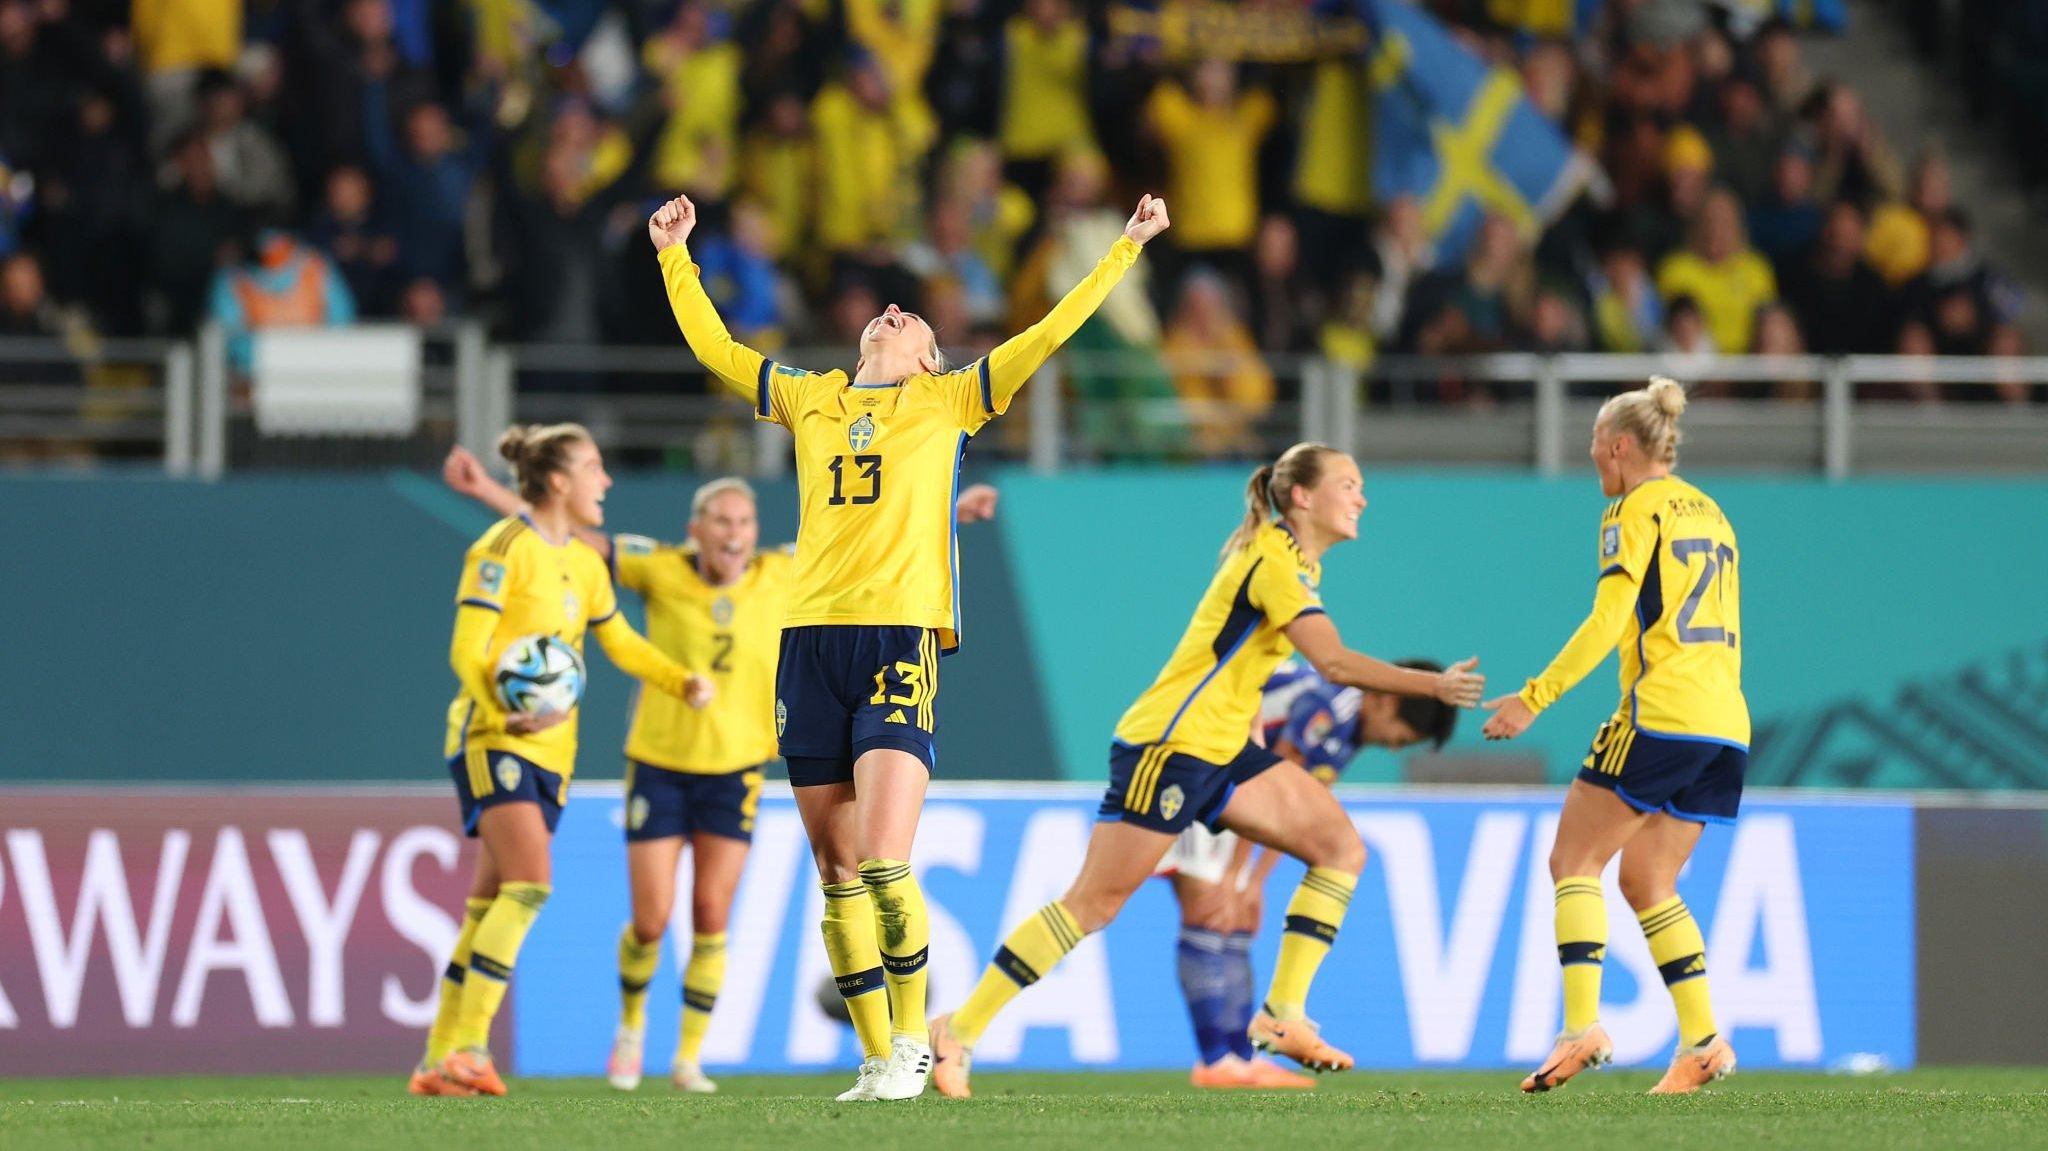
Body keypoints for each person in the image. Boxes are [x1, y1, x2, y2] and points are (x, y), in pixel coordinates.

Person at [647, 189, 1169, 1100]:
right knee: (834, 869)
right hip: (807, 642)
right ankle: (880, 1054)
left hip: (896, 640)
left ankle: (918, 1045)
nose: (893, 311)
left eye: (912, 316)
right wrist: (674, 257)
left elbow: (1049, 332)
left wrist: (1125, 248)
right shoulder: (808, 400)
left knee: (885, 860)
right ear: (862, 343)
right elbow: (715, 350)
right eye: (886, 311)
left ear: (929, 355)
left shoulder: (950, 400)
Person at [928, 442, 1485, 1097]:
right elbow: (1332, 663)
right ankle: (959, 1030)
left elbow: (1249, 667)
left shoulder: (1298, 565)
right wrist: (1431, 686)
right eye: (1349, 483)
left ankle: (1281, 1014)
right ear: (1303, 496)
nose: (1362, 496)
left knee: (1340, 847)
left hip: (1221, 750)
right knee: (1093, 904)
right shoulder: (1275, 560)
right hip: (1169, 746)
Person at [441, 447, 999, 1094]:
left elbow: (871, 538)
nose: (734, 534)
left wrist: (950, 513)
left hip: (735, 770)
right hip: (657, 764)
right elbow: (570, 535)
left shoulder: (783, 571)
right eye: (721, 521)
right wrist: (487, 490)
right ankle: (629, 1026)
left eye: (744, 522)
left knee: (710, 911)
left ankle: (687, 1059)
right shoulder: (661, 566)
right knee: (651, 919)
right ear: (696, 528)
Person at [411, 424, 715, 1098]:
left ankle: (435, 1059)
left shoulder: (582, 561)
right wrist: (500, 707)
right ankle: (467, 1047)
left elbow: (622, 641)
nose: (606, 481)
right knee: (530, 883)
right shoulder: (499, 550)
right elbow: (467, 648)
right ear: (558, 481)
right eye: (594, 468)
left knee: (487, 901)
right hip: (494, 737)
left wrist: (679, 678)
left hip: (553, 750)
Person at [1481, 378, 1747, 1097]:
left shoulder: (1633, 508)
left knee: (1574, 859)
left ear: (1621, 446)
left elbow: (1607, 620)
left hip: (1661, 712)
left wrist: (1535, 696)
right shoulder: (1714, 513)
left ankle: (1580, 1027)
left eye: (1595, 442)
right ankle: (1701, 1041)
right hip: (1726, 725)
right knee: (1649, 880)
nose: (1591, 454)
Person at [1165, 658, 1459, 1090]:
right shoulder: (1328, 705)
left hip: (1225, 782)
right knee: (1208, 904)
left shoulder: (1348, 731)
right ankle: (1214, 1061)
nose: (1397, 747)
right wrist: (1236, 875)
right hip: (1189, 762)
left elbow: (1293, 812)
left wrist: (1255, 881)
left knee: (1239, 917)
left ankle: (1238, 1060)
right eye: (1403, 735)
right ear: (1384, 701)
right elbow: (1264, 785)